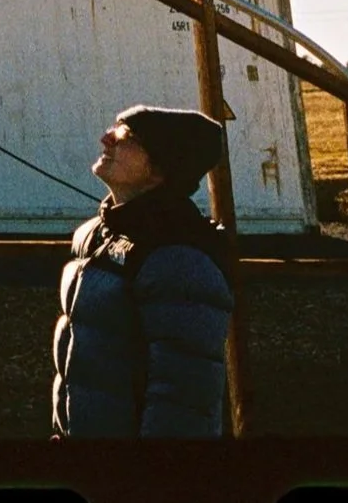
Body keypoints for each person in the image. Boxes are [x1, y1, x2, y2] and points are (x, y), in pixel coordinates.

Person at [49, 104, 235, 438]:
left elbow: (183, 398)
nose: (107, 139)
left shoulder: (179, 257)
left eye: (127, 137)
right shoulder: (95, 235)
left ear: (161, 169)